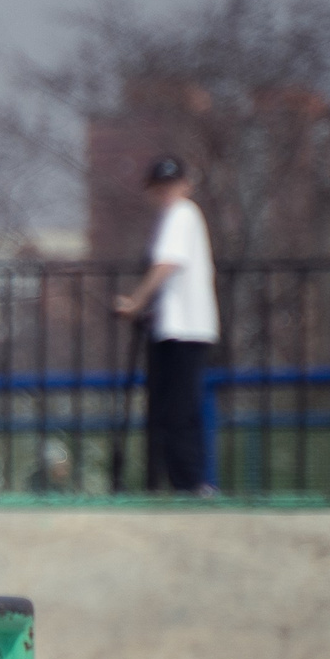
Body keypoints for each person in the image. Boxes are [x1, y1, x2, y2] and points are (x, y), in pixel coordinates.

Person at [115, 156, 219, 495]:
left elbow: (167, 263)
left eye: (171, 185)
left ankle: (188, 483)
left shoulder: (181, 214)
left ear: (185, 185)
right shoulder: (178, 216)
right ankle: (182, 481)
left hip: (183, 327)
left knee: (176, 409)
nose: (167, 193)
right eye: (161, 187)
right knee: (172, 408)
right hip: (176, 324)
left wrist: (136, 301)